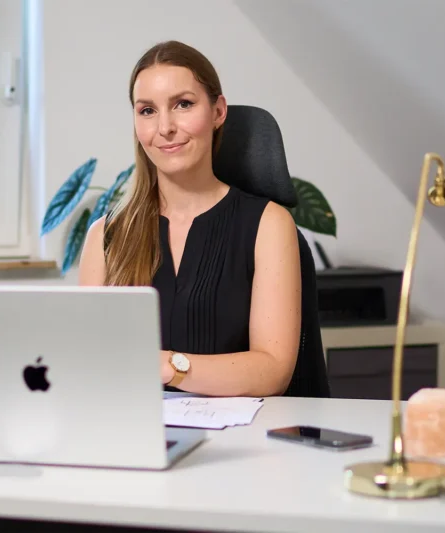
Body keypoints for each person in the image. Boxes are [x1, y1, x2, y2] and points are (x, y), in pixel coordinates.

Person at [78, 40, 302, 397]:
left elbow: (272, 370)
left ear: (218, 112)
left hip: (244, 429)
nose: (165, 127)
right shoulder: (106, 234)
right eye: (147, 110)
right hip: (133, 425)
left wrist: (167, 367)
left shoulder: (268, 225)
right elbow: (87, 362)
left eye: (183, 104)